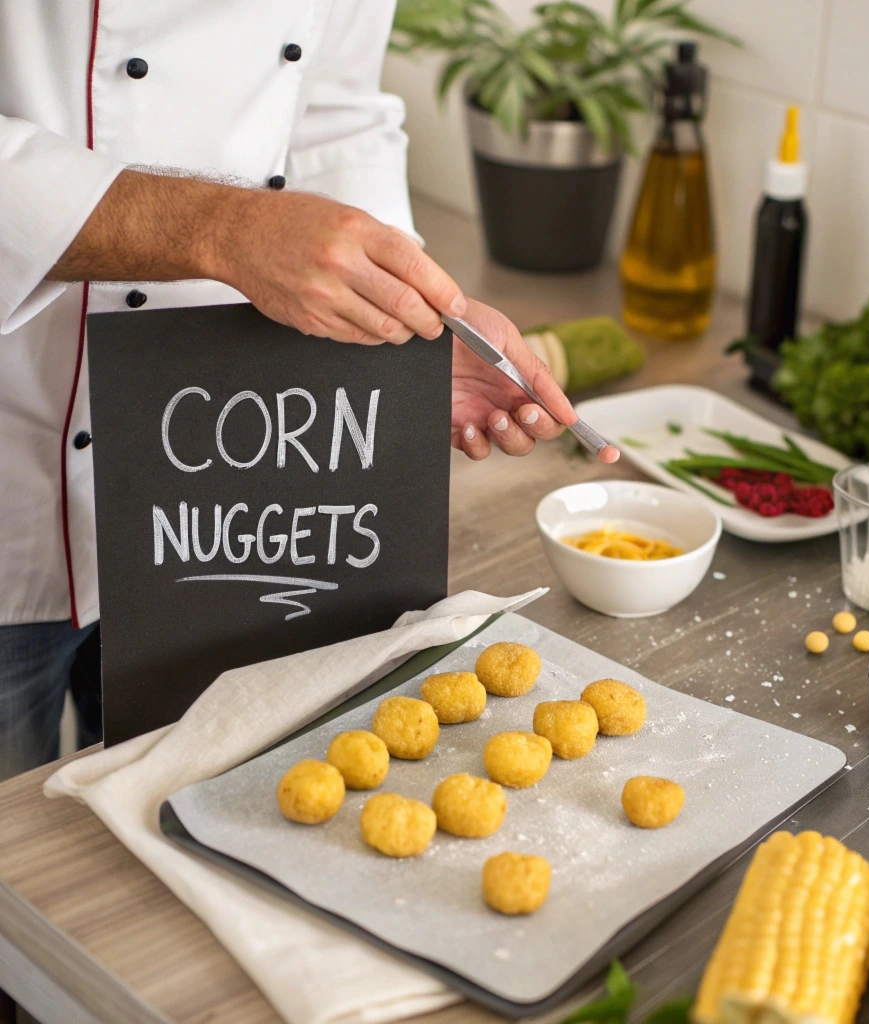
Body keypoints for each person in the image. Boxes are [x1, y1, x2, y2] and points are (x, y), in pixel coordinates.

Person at [0, 1, 617, 780]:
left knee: (177, 830)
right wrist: (224, 229)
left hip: (215, 485)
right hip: (8, 470)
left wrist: (403, 329)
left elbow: (335, 112)